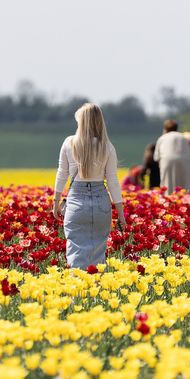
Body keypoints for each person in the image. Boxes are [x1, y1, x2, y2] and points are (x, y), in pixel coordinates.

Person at [52, 103, 127, 270]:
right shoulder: (107, 146)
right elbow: (113, 182)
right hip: (101, 203)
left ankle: (77, 294)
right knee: (98, 256)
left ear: (82, 122)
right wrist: (121, 214)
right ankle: (96, 294)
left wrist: (56, 201)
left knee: (75, 254)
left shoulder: (69, 142)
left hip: (76, 202)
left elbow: (62, 174)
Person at [154, 119, 190, 193]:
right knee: (187, 185)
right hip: (185, 162)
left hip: (168, 161)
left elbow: (156, 157)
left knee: (168, 185)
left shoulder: (162, 138)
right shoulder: (184, 137)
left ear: (165, 129)